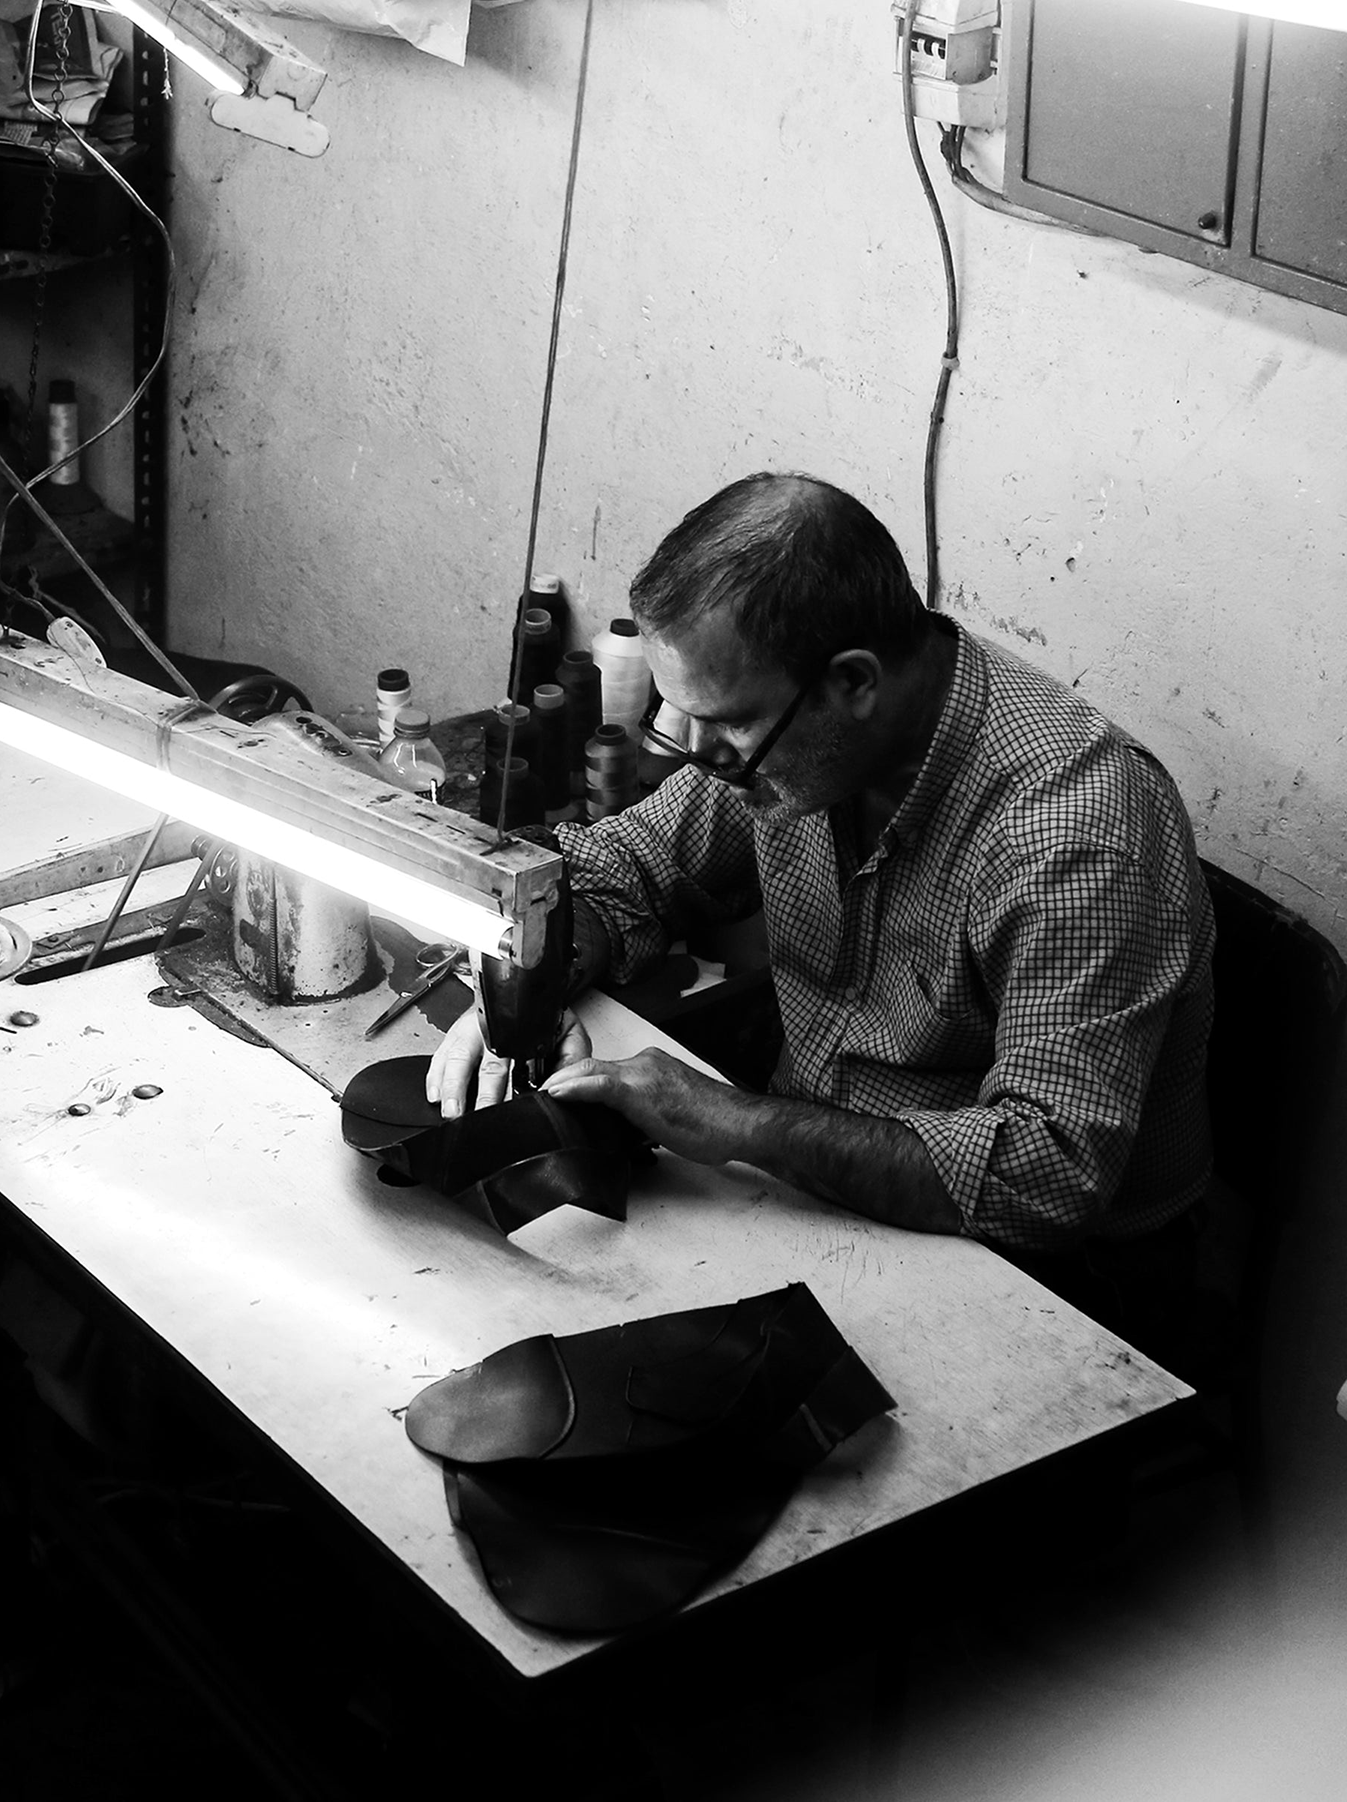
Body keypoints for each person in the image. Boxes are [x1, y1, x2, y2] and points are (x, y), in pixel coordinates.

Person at [428, 473, 1215, 1367]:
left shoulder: (1071, 834)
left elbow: (1045, 1173)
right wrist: (529, 979)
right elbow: (631, 864)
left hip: (1059, 1281)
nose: (698, 757)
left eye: (724, 728)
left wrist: (735, 1123)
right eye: (682, 719)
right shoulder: (807, 741)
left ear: (853, 684)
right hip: (816, 1189)